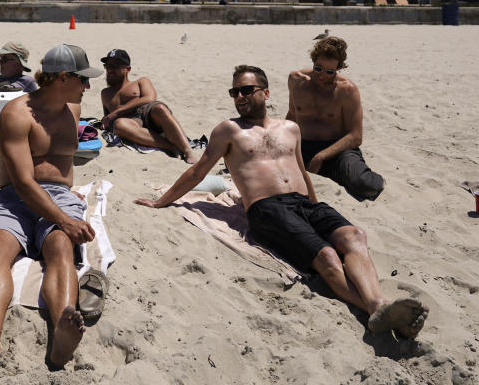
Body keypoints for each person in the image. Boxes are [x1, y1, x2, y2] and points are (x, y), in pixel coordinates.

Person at [135, 65, 428, 339]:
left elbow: (301, 171)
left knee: (354, 236)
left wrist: (315, 207)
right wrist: (162, 201)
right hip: (266, 208)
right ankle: (376, 307)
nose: (239, 97)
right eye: (234, 92)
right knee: (326, 255)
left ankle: (382, 308)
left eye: (246, 90)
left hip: (304, 203)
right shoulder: (228, 130)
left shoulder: (290, 128)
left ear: (266, 92)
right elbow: (199, 171)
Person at [0, 44, 103, 366]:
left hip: (61, 195)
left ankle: (61, 333)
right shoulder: (16, 114)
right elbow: (23, 182)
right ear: (62, 77)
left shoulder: (73, 107)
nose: (88, 86)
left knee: (61, 247)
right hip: (16, 198)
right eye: (83, 79)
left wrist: (63, 216)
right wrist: (64, 218)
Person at [286, 36, 385, 201]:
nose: (322, 75)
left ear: (339, 68)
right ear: (313, 60)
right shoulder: (296, 80)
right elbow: (291, 116)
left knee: (366, 185)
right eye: (318, 68)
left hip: (337, 151)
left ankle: (376, 180)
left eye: (330, 72)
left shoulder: (347, 90)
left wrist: (321, 156)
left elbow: (356, 136)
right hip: (302, 146)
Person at [99, 48, 201, 163]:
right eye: (107, 66)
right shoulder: (105, 93)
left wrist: (117, 112)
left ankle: (188, 151)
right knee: (118, 125)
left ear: (128, 69)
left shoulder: (140, 82)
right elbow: (108, 119)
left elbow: (150, 98)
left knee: (160, 108)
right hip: (130, 123)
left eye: (115, 66)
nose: (110, 70)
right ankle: (170, 146)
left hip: (147, 114)